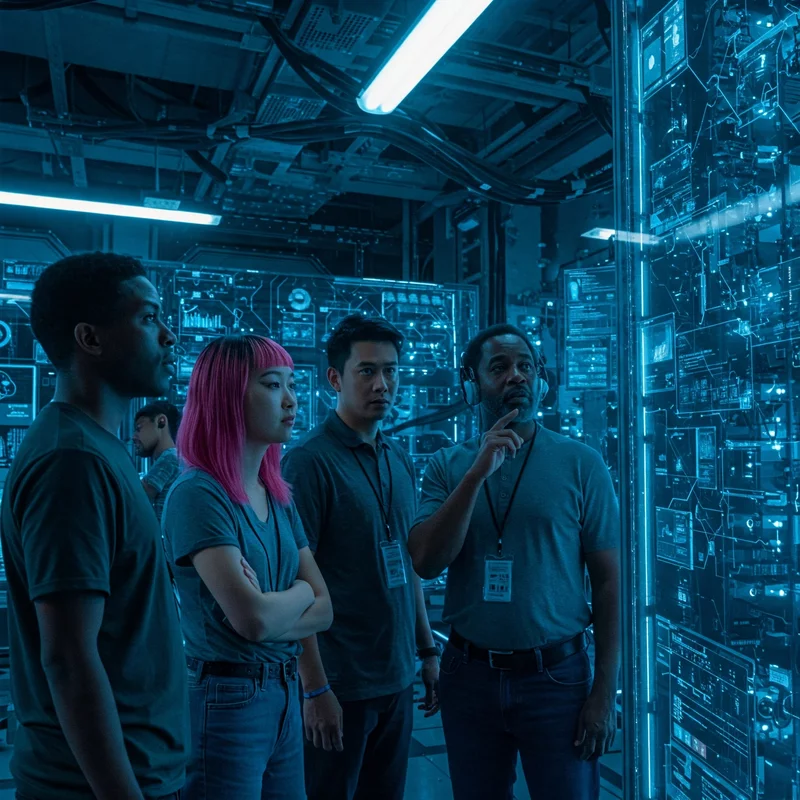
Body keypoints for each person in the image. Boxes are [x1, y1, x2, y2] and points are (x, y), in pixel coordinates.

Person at [0, 252, 187, 800]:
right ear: (90, 338)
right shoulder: (73, 461)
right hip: (98, 784)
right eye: (149, 317)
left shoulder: (100, 449)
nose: (170, 335)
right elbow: (69, 657)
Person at [408, 323, 620, 800]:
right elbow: (425, 560)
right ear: (472, 384)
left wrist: (604, 693)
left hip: (557, 681)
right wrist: (477, 474)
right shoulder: (447, 465)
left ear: (541, 379)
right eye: (500, 367)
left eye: (526, 366)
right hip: (468, 677)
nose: (516, 377)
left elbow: (610, 584)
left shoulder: (581, 463)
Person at [161, 334, 333, 800]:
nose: (291, 400)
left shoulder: (276, 493)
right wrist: (299, 593)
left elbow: (325, 608)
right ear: (228, 395)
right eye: (273, 384)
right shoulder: (198, 494)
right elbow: (253, 622)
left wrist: (283, 601)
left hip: (283, 691)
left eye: (291, 384)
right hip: (226, 699)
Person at [282, 314, 439, 800]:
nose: (383, 385)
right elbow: (295, 587)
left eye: (391, 371)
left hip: (396, 677)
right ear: (335, 378)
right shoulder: (308, 462)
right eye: (367, 371)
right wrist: (315, 689)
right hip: (339, 683)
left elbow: (408, 563)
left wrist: (427, 649)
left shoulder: (397, 458)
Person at [133, 401, 181, 523]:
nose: (134, 437)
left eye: (139, 428)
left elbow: (138, 497)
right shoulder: (174, 457)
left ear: (161, 422)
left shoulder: (170, 457)